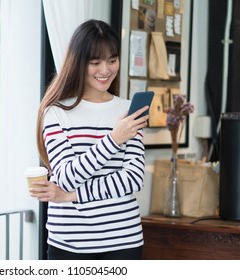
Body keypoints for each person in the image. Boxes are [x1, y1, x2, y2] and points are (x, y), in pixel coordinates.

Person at [29, 19, 149, 260]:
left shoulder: (129, 111)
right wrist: (114, 139)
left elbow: (134, 179)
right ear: (78, 63)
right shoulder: (56, 112)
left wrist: (70, 196)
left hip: (123, 240)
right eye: (95, 63)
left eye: (112, 61)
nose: (105, 70)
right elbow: (65, 176)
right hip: (69, 243)